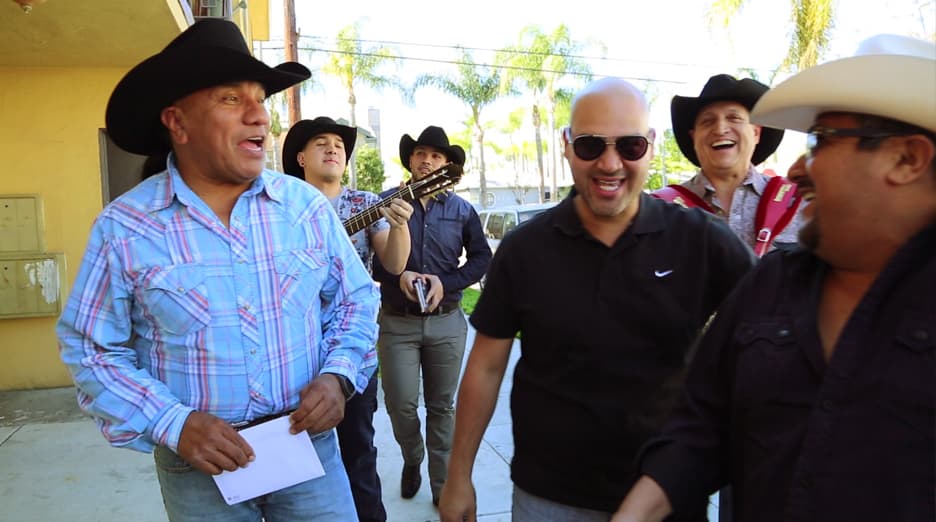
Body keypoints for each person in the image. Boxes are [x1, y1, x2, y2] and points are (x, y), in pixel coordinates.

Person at [56, 19, 380, 521]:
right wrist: (172, 422)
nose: (259, 118)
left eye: (261, 100)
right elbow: (91, 348)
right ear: (178, 123)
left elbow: (356, 301)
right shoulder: (124, 229)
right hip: (198, 469)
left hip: (307, 448)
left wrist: (338, 376)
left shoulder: (305, 209)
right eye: (232, 99)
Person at [613, 34, 936, 522]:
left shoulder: (783, 207)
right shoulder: (771, 281)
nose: (801, 167)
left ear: (908, 159)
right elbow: (702, 428)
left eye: (821, 141)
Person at [439, 78, 755, 522]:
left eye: (628, 146)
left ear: (649, 145)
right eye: (590, 146)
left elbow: (775, 323)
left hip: (668, 498)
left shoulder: (700, 242)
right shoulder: (525, 249)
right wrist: (458, 475)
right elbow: (487, 366)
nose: (610, 164)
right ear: (567, 146)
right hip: (549, 498)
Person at [282, 116, 414, 522]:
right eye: (321, 143)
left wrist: (401, 224)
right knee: (295, 460)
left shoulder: (363, 203)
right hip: (292, 352)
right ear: (301, 157)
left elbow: (392, 263)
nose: (333, 148)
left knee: (359, 452)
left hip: (352, 352)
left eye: (339, 143)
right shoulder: (282, 204)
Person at [371, 126, 492, 507]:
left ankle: (442, 485)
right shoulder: (386, 202)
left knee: (442, 407)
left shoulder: (462, 210)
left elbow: (481, 259)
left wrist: (446, 281)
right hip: (397, 321)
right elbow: (372, 262)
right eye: (421, 153)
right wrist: (398, 274)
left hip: (446, 321)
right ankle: (412, 458)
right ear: (410, 159)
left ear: (447, 166)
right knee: (401, 404)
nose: (428, 160)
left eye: (437, 156)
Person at [661, 73, 803, 254]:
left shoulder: (798, 202)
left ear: (756, 133)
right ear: (693, 137)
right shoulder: (665, 211)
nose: (720, 129)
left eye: (734, 118)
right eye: (707, 121)